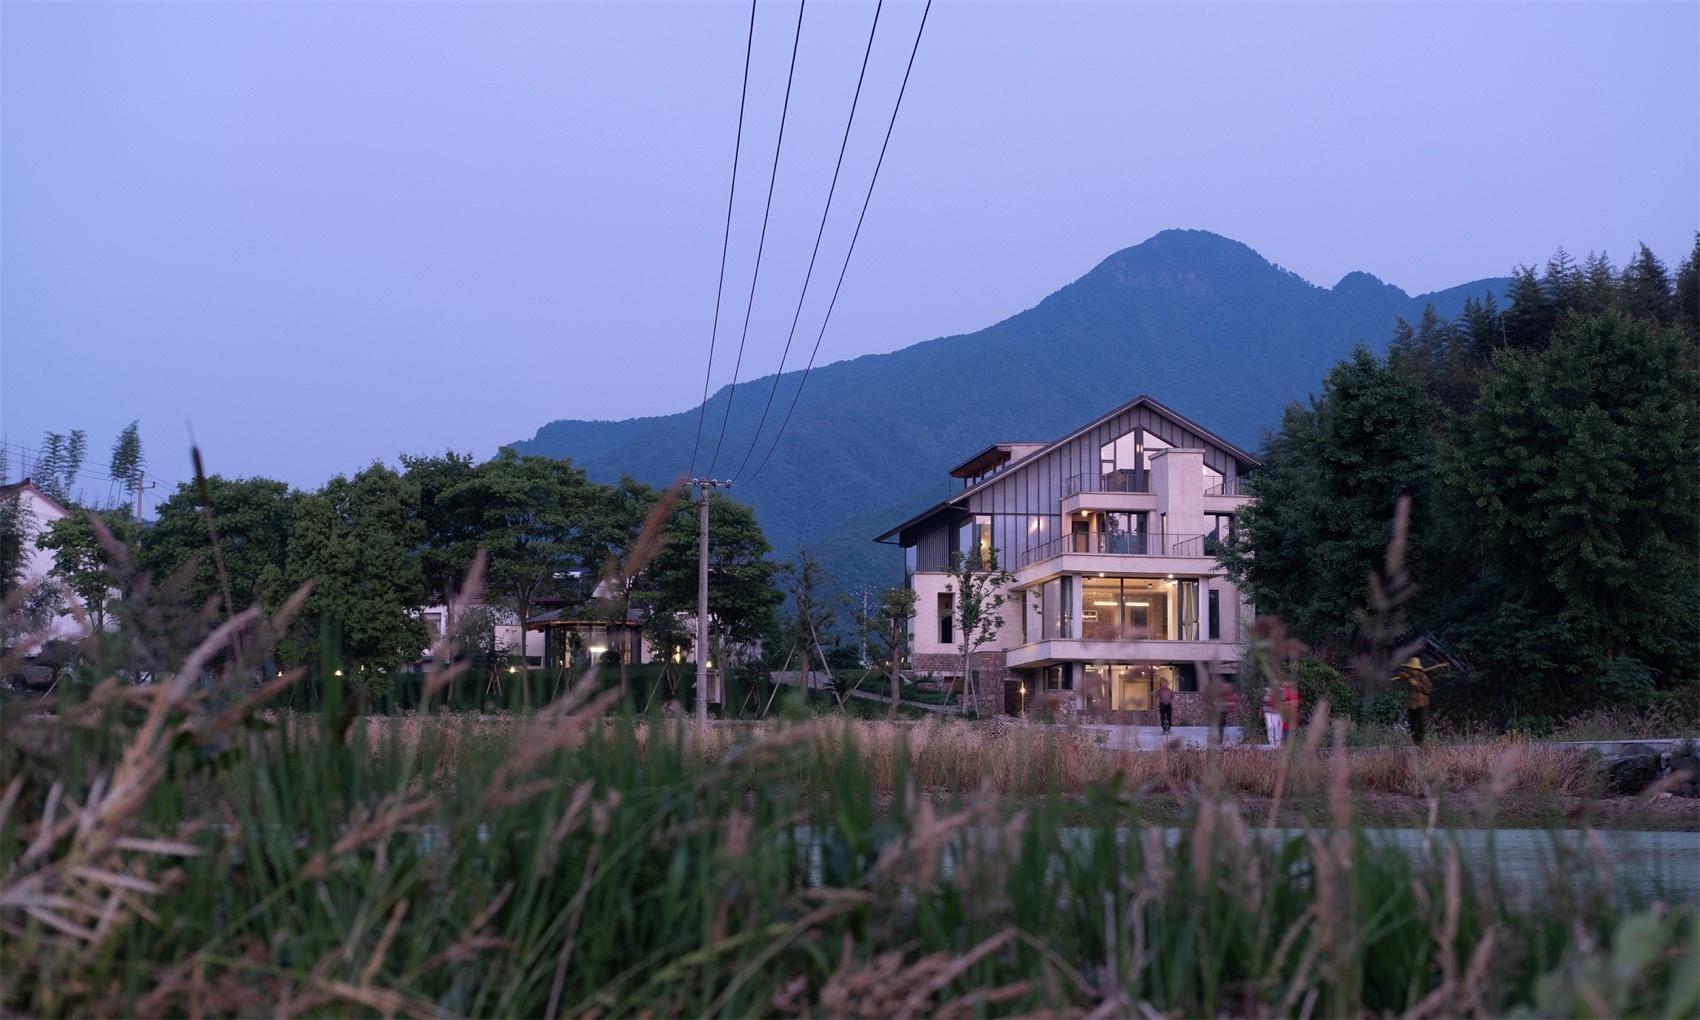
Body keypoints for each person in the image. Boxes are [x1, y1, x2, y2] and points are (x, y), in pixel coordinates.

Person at [1393, 656, 1435, 746]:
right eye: (1410, 668)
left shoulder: (1423, 677)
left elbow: (1427, 690)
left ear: (1416, 669)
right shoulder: (1409, 675)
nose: (1410, 669)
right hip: (1412, 705)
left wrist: (1416, 684)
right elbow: (1401, 674)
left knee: (1422, 725)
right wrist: (1408, 678)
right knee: (1413, 726)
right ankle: (1416, 743)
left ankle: (1421, 743)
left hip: (1421, 704)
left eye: (1412, 668)